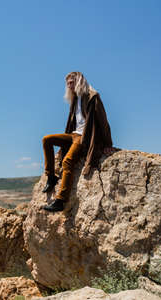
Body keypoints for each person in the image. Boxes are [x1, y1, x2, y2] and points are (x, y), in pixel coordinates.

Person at [42, 71, 113, 212]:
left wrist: (108, 143)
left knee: (67, 161)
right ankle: (51, 177)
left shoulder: (93, 96)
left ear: (79, 81)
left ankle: (61, 201)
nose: (69, 86)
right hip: (74, 134)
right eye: (67, 84)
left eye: (71, 83)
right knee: (47, 140)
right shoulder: (75, 99)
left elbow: (103, 121)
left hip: (84, 136)